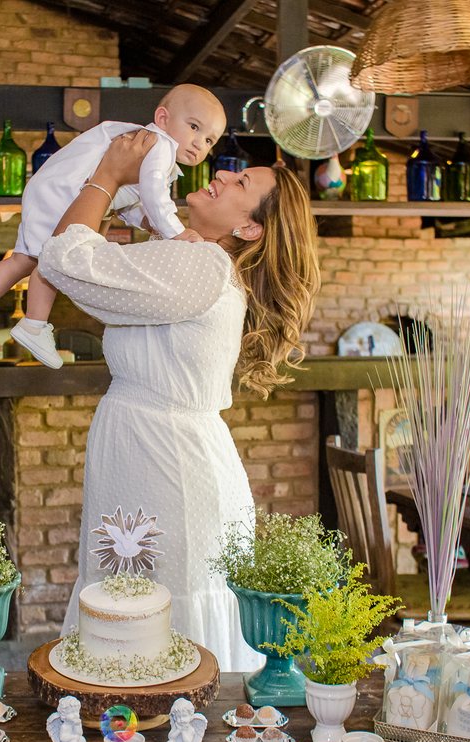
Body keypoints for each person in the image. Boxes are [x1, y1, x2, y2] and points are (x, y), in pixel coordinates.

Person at [39, 129, 321, 671]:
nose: (219, 172)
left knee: (165, 612)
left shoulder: (205, 267)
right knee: (138, 605)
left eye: (240, 182)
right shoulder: (189, 259)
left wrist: (108, 176)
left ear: (249, 228)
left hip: (169, 462)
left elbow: (64, 259)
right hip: (152, 447)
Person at [0, 85, 227, 369]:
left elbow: (125, 199)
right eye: (194, 127)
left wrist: (145, 220)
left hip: (55, 188)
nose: (199, 143)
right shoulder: (159, 145)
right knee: (49, 261)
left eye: (209, 140)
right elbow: (154, 193)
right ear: (164, 119)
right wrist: (176, 232)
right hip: (67, 191)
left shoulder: (148, 144)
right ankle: (32, 325)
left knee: (26, 258)